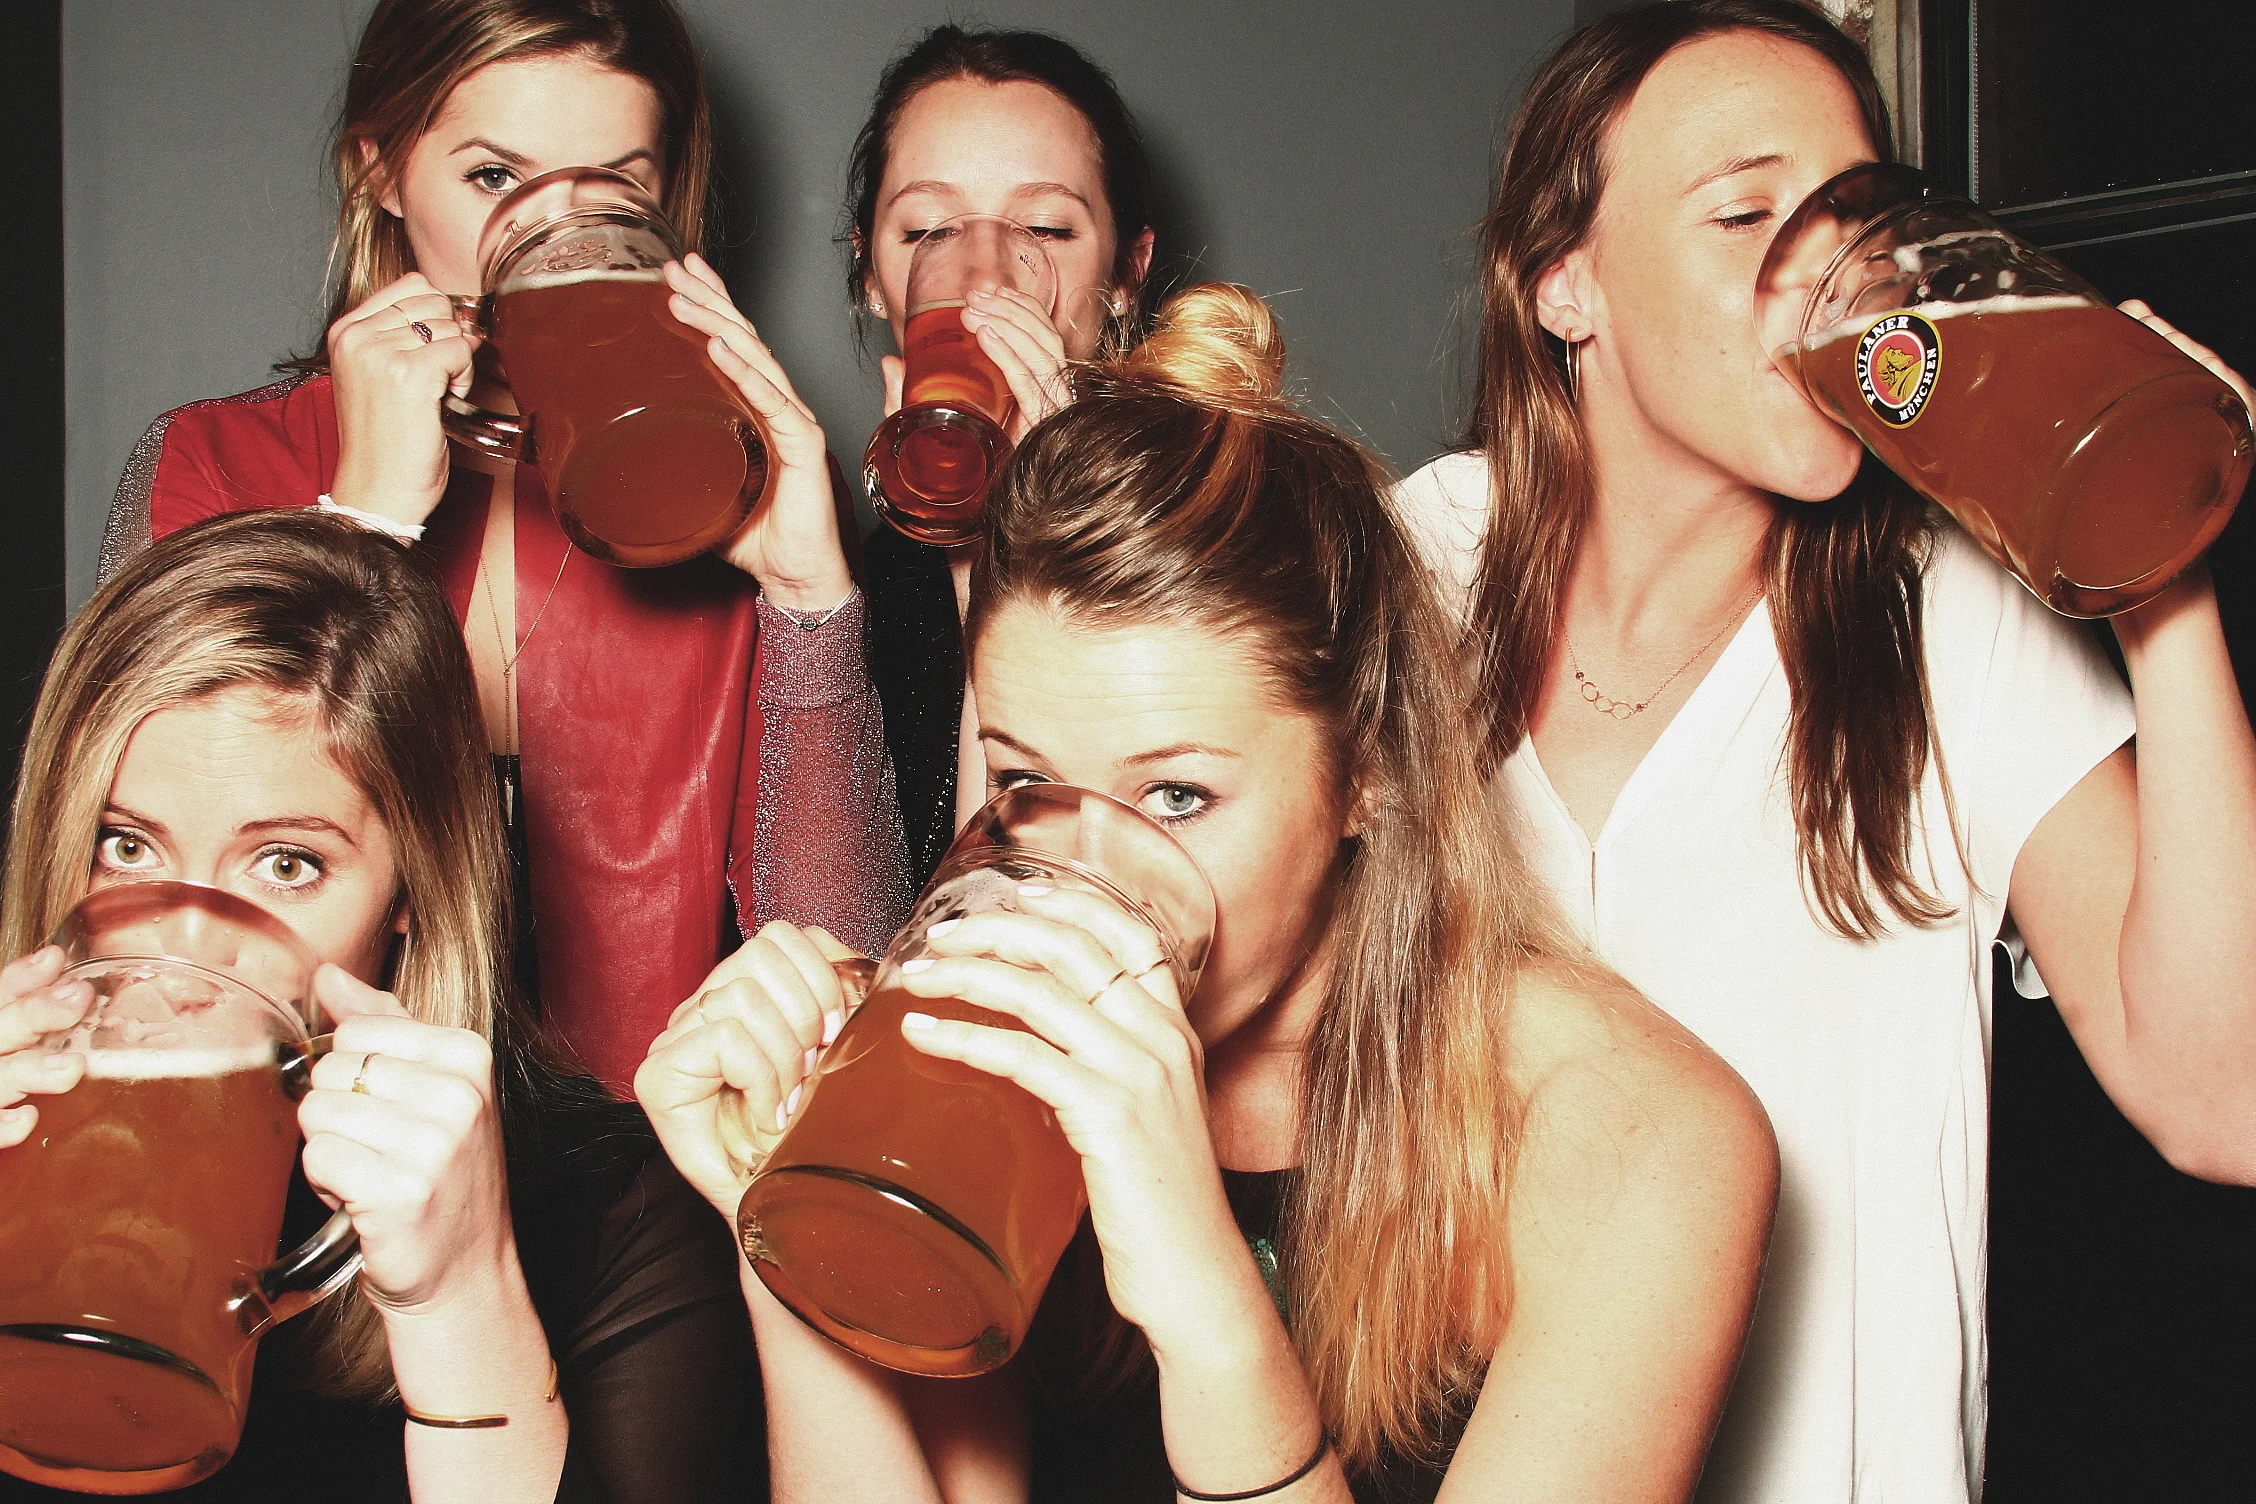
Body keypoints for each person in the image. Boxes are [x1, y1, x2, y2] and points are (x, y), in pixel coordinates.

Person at [639, 286, 1782, 1503]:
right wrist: (794, 1236)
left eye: (1177, 795)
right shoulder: (990, 1064)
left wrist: (1207, 1306)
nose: (1088, 884)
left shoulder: (1637, 1135)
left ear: (1369, 770)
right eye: (1027, 781)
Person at [1389, 2, 2256, 1498]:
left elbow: (2224, 1101)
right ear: (1564, 286)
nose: (1827, 275)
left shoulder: (1947, 614)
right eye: (1747, 216)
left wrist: (2158, 584)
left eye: (1855, 218)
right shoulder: (1409, 566)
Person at [98, 0, 910, 1093]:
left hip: (638, 1160)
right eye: (494, 178)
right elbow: (146, 946)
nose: (558, 245)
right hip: (290, 1134)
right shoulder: (207, 465)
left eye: (612, 191)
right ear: (381, 172)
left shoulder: (717, 497)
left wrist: (810, 597)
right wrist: (362, 529)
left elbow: (844, 993)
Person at [0, 511, 762, 1503]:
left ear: (410, 888)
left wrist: (463, 1303)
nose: (184, 967)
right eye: (127, 846)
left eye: (285, 864)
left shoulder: (624, 1214)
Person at [849, 25, 1157, 881]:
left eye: (1047, 229)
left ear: (1127, 277)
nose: (984, 278)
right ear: (871, 277)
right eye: (929, 231)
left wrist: (1050, 539)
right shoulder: (836, 600)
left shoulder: (1229, 541)